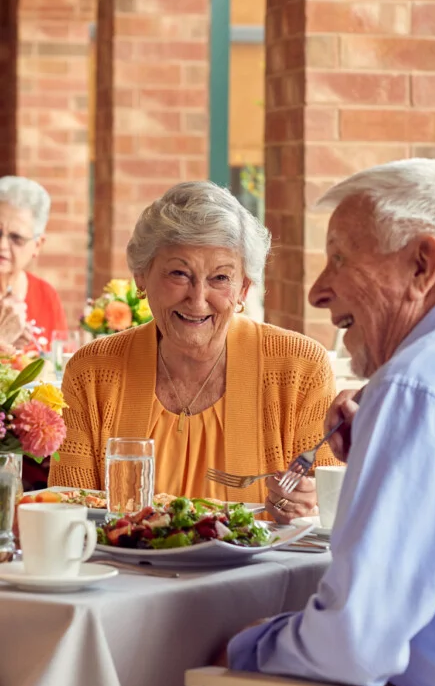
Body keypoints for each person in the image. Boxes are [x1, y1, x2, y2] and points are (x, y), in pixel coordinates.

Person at [226, 158, 435, 686]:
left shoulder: (424, 383)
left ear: (423, 263)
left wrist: (249, 649)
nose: (317, 293)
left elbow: (352, 647)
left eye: (339, 260)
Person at [49, 181, 338, 519]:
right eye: (179, 274)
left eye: (220, 278)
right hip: (127, 570)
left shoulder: (300, 368)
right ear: (141, 277)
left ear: (244, 287)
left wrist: (309, 507)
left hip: (254, 571)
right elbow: (70, 512)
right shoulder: (93, 371)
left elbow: (337, 513)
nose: (198, 299)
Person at [0, 176, 67, 346]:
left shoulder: (46, 296)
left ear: (37, 245)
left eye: (16, 238)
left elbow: (63, 367)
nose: (2, 245)